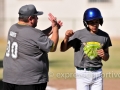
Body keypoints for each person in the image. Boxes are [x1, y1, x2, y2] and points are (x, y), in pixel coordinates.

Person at [3, 4, 62, 90]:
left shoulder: (13, 28)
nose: (37, 18)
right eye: (36, 16)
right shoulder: (34, 34)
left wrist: (52, 28)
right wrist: (55, 29)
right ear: (30, 18)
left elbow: (34, 37)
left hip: (9, 79)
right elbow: (52, 47)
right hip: (29, 81)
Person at [60, 7, 112, 90]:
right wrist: (66, 38)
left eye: (96, 22)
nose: (94, 24)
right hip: (82, 72)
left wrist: (104, 55)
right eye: (91, 22)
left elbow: (106, 57)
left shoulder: (105, 36)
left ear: (100, 21)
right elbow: (62, 49)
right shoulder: (79, 34)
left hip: (97, 72)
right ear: (86, 22)